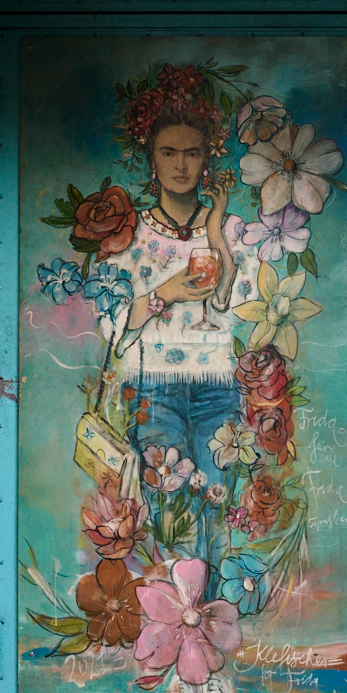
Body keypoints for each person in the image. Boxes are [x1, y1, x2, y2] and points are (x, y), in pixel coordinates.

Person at [106, 105, 259, 472]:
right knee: (168, 512)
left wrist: (215, 229)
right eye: (169, 153)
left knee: (216, 503)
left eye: (192, 153)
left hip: (218, 385)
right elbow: (113, 326)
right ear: (152, 160)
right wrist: (165, 293)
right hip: (153, 387)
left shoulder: (230, 228)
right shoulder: (131, 234)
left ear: (206, 159)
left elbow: (236, 304)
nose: (181, 165)